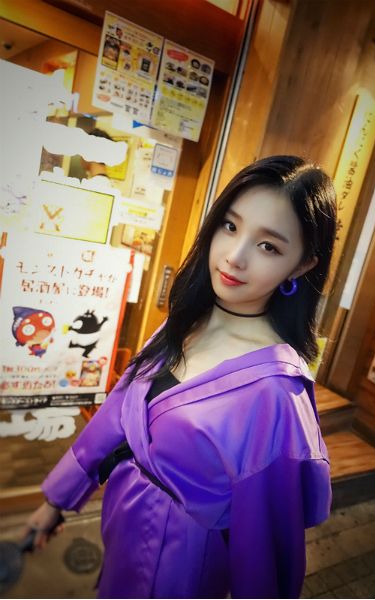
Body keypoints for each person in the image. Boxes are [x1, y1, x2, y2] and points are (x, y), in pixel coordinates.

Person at [23, 156, 337, 599]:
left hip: (180, 564)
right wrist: (56, 501)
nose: (234, 256)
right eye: (230, 226)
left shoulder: (276, 394)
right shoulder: (184, 323)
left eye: (268, 246)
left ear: (302, 265)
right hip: (124, 526)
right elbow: (115, 418)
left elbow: (267, 551)